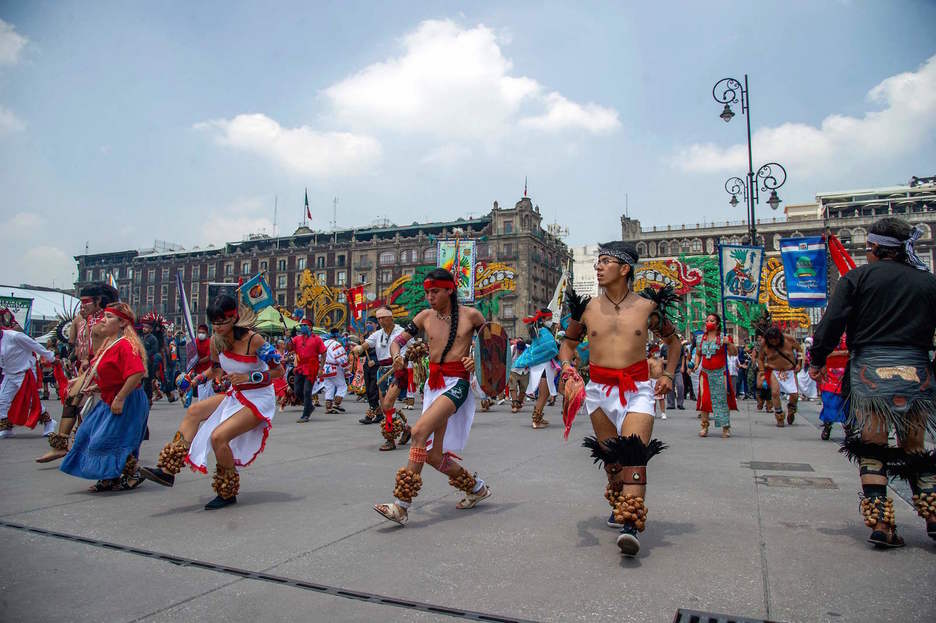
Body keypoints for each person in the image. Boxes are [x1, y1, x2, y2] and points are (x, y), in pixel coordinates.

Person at [808, 217, 936, 548]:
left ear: (876, 248)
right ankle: (933, 514)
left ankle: (882, 523)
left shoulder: (857, 278)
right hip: (916, 369)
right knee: (915, 447)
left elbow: (832, 322)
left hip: (871, 368)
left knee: (872, 445)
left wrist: (818, 360)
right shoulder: (927, 282)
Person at [558, 241, 680, 556]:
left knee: (634, 454)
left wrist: (667, 375)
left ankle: (630, 526)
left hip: (638, 388)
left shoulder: (647, 308)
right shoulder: (585, 309)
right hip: (598, 391)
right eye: (598, 261)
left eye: (606, 261)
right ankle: (619, 499)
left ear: (624, 269)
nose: (599, 266)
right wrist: (569, 368)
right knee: (613, 461)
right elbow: (568, 344)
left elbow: (674, 342)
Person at [140, 294, 285, 510]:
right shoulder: (216, 342)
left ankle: (227, 491)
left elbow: (278, 370)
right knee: (194, 411)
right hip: (236, 394)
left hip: (258, 398)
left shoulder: (254, 340)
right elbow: (216, 370)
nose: (216, 327)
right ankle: (168, 469)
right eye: (213, 323)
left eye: (221, 322)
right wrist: (193, 380)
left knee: (219, 437)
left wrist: (249, 377)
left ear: (233, 318)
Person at [373, 268, 492, 526]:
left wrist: (477, 362)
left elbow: (493, 347)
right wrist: (396, 356)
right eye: (427, 292)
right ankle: (477, 488)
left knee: (418, 433)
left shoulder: (471, 315)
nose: (429, 297)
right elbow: (398, 341)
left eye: (435, 291)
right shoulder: (425, 316)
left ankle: (401, 507)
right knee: (432, 455)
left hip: (457, 385)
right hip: (433, 385)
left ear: (450, 289)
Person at [60, 303, 149, 491]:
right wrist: (96, 386)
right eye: (105, 316)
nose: (103, 320)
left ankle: (134, 473)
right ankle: (109, 476)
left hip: (126, 399)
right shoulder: (110, 344)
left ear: (123, 322)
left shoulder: (125, 345)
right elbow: (113, 373)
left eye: (109, 317)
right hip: (110, 397)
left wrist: (120, 398)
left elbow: (137, 373)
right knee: (86, 434)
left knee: (105, 439)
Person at [36, 282, 117, 462]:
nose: (82, 306)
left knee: (101, 411)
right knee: (74, 402)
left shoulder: (109, 320)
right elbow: (79, 344)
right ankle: (63, 445)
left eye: (86, 302)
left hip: (106, 371)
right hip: (89, 369)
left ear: (98, 301)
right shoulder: (85, 320)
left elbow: (116, 346)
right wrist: (76, 359)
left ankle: (116, 456)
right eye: (81, 302)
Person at [353, 307, 412, 450]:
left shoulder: (402, 332)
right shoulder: (377, 334)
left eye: (382, 318)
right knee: (386, 408)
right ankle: (405, 428)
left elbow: (411, 349)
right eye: (378, 318)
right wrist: (359, 348)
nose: (380, 321)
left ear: (390, 317)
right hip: (381, 371)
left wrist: (402, 360)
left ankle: (390, 439)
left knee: (387, 404)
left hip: (397, 370)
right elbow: (367, 344)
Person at [0, 310, 56, 438]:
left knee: (31, 401)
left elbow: (36, 346)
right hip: (9, 374)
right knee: (2, 400)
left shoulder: (15, 336)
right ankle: (6, 427)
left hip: (24, 373)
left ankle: (49, 423)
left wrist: (51, 358)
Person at [512, 308, 560, 428]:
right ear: (543, 319)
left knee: (545, 394)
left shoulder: (540, 331)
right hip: (543, 367)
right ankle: (536, 420)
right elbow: (550, 348)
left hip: (542, 366)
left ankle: (538, 417)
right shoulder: (543, 332)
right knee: (544, 395)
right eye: (549, 318)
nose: (551, 321)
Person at [693, 314, 738, 438]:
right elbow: (698, 353)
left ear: (717, 323)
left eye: (711, 320)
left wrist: (728, 344)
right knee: (705, 400)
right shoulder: (700, 338)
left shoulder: (724, 337)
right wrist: (696, 364)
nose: (708, 322)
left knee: (722, 401)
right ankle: (704, 426)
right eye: (707, 320)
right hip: (705, 373)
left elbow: (734, 353)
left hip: (720, 373)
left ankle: (725, 427)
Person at [756, 322, 801, 427]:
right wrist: (762, 372)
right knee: (775, 393)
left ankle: (791, 409)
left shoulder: (789, 339)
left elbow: (800, 350)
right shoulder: (764, 343)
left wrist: (799, 363)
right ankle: (779, 415)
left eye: (775, 340)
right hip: (774, 370)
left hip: (789, 370)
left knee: (794, 394)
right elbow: (760, 359)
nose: (774, 342)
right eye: (771, 340)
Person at [818, 334, 851, 441]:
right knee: (829, 401)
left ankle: (848, 430)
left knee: (847, 403)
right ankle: (827, 426)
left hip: (847, 373)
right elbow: (821, 353)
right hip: (830, 374)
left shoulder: (851, 335)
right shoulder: (828, 335)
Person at [293, 319, 326, 423]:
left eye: (304, 325)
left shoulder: (317, 339)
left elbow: (324, 353)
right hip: (300, 366)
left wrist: (321, 368)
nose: (302, 327)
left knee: (307, 391)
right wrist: (288, 336)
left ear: (310, 327)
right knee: (297, 391)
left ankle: (306, 414)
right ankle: (310, 406)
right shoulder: (297, 338)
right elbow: (289, 348)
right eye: (301, 325)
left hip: (312, 367)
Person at [319, 327, 350, 414]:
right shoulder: (336, 344)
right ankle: (336, 404)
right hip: (335, 368)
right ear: (337, 336)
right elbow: (341, 358)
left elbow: (319, 356)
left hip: (325, 368)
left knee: (329, 387)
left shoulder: (324, 343)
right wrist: (346, 368)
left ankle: (328, 407)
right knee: (342, 386)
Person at [192, 324, 215, 402]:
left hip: (208, 369)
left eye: (203, 332)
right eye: (199, 332)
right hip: (198, 370)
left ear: (206, 333)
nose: (201, 334)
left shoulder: (209, 342)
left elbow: (208, 357)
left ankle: (204, 404)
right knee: (204, 389)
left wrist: (197, 361)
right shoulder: (195, 341)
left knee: (206, 389)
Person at [663, 338, 685, 411]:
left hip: (678, 369)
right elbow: (661, 358)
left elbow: (683, 357)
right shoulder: (664, 347)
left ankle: (680, 404)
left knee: (680, 386)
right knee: (670, 387)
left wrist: (682, 366)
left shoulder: (680, 346)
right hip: (668, 370)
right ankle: (671, 404)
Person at [508, 340, 530, 413]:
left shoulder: (529, 348)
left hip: (525, 371)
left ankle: (519, 403)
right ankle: (514, 404)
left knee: (524, 389)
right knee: (512, 387)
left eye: (522, 350)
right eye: (519, 349)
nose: (520, 351)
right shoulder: (512, 349)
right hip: (513, 370)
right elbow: (507, 360)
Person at [797, 337, 818, 402]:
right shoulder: (802, 348)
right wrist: (799, 364)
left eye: (808, 342)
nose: (807, 344)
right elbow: (799, 357)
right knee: (799, 378)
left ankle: (812, 395)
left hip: (811, 367)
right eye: (806, 342)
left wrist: (809, 360)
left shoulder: (815, 349)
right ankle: (801, 395)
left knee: (812, 381)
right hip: (803, 367)